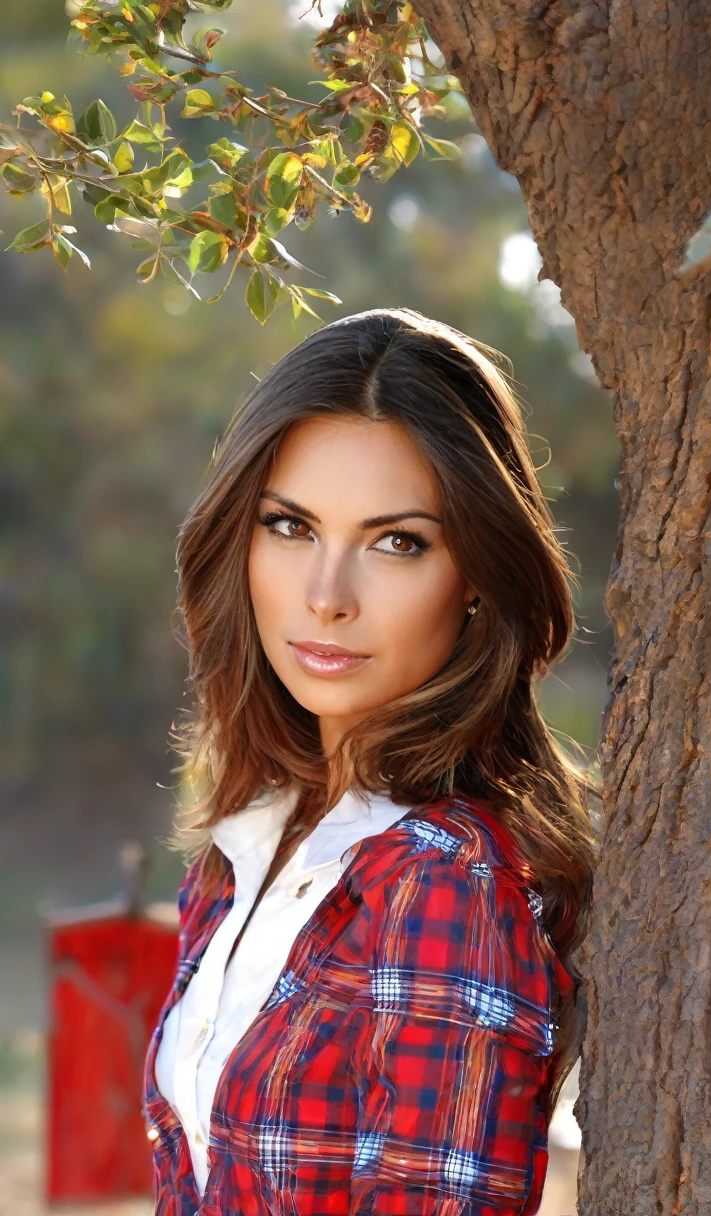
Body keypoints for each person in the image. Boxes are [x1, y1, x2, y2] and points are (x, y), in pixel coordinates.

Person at [142, 306, 598, 1215]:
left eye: (398, 542)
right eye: (291, 526)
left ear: (477, 575)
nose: (325, 596)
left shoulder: (444, 884)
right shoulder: (247, 848)